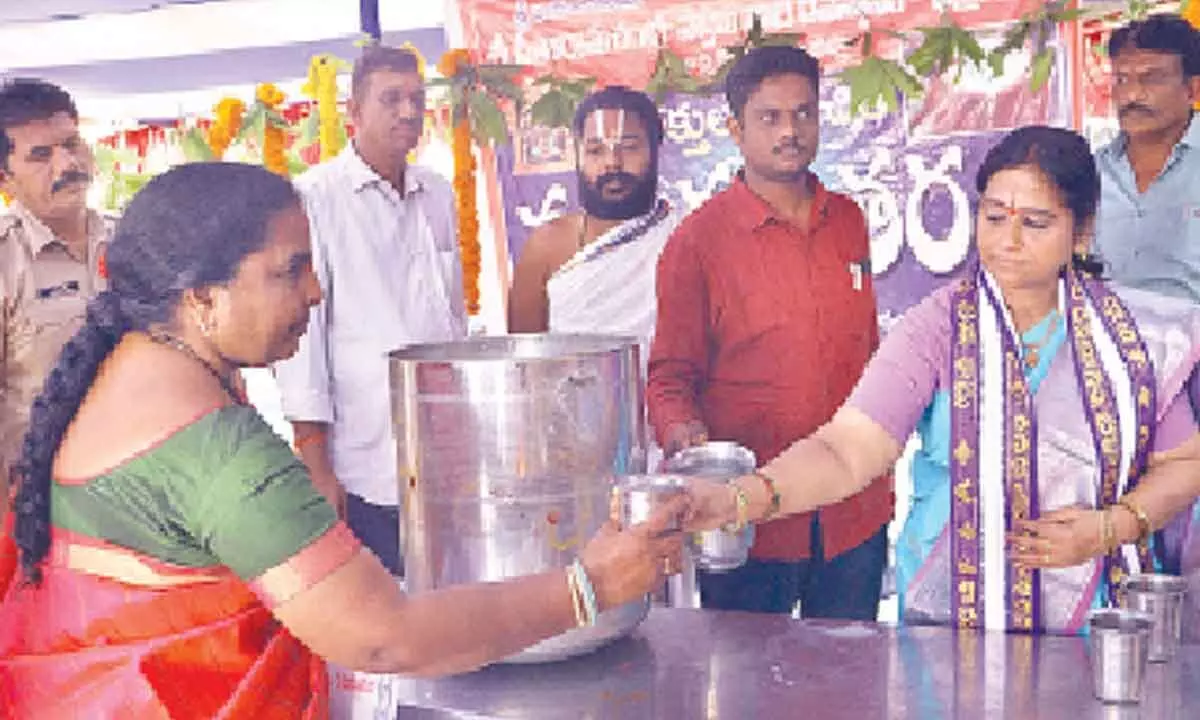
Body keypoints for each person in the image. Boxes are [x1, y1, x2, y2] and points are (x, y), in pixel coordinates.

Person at [0, 162, 685, 717]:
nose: (316, 293)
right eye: (289, 270)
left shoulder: (132, 369)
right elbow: (385, 638)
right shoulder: (211, 448)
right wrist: (590, 586)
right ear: (201, 299)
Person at [684, 126, 1200, 634]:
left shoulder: (1129, 338)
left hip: (1095, 623)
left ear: (1082, 229)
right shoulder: (940, 326)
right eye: (994, 217)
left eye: (1036, 223)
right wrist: (741, 499)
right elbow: (848, 450)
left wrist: (1112, 527)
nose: (1009, 242)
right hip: (951, 616)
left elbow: (1183, 463)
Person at [647, 45, 891, 620]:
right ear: (735, 128)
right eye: (770, 117)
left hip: (854, 511)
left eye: (804, 113)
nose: (791, 131)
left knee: (849, 678)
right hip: (750, 520)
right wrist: (688, 440)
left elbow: (867, 348)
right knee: (751, 690)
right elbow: (669, 376)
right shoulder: (698, 242)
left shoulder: (848, 220)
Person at [273, 45, 465, 576]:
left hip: (446, 453)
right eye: (391, 99)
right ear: (353, 112)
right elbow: (301, 341)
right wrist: (314, 461)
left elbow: (453, 318)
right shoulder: (316, 199)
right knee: (388, 607)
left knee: (447, 593)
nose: (408, 112)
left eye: (416, 99)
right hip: (367, 459)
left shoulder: (437, 193)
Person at [0, 78, 112, 505]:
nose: (67, 164)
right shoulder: (7, 261)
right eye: (41, 156)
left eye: (71, 144)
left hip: (143, 495)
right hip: (40, 504)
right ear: (6, 179)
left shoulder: (133, 243)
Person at [508, 85, 680, 352]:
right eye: (596, 151)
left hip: (666, 393)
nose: (613, 163)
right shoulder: (545, 248)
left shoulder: (687, 238)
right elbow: (526, 362)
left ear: (656, 149)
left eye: (629, 147)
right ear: (578, 155)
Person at [1094, 14, 1200, 303]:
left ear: (1192, 89)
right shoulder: (1091, 172)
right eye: (1121, 79)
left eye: (1151, 79)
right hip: (1110, 337)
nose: (1132, 95)